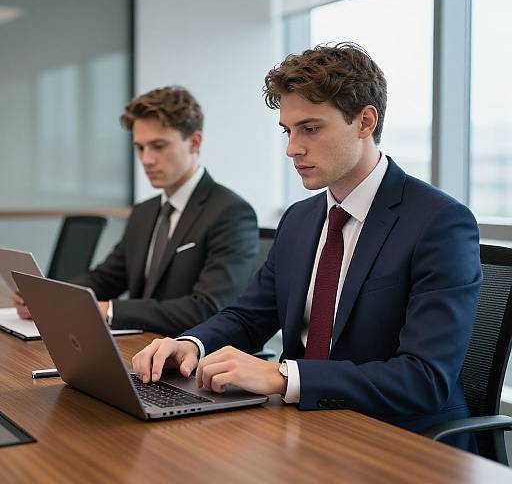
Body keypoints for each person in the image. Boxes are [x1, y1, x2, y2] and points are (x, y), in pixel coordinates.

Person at [132, 44, 482, 449]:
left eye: (310, 129)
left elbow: (424, 379)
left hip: (400, 441)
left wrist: (283, 377)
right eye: (288, 130)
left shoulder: (439, 222)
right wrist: (189, 344)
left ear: (365, 121)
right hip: (307, 429)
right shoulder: (300, 219)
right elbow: (249, 317)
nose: (292, 148)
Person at [12, 86, 259, 336]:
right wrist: (50, 298)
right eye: (140, 148)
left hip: (190, 359)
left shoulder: (231, 212)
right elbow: (106, 278)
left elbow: (208, 308)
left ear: (194, 142)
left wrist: (108, 310)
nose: (146, 159)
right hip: (140, 348)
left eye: (158, 146)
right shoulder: (145, 212)